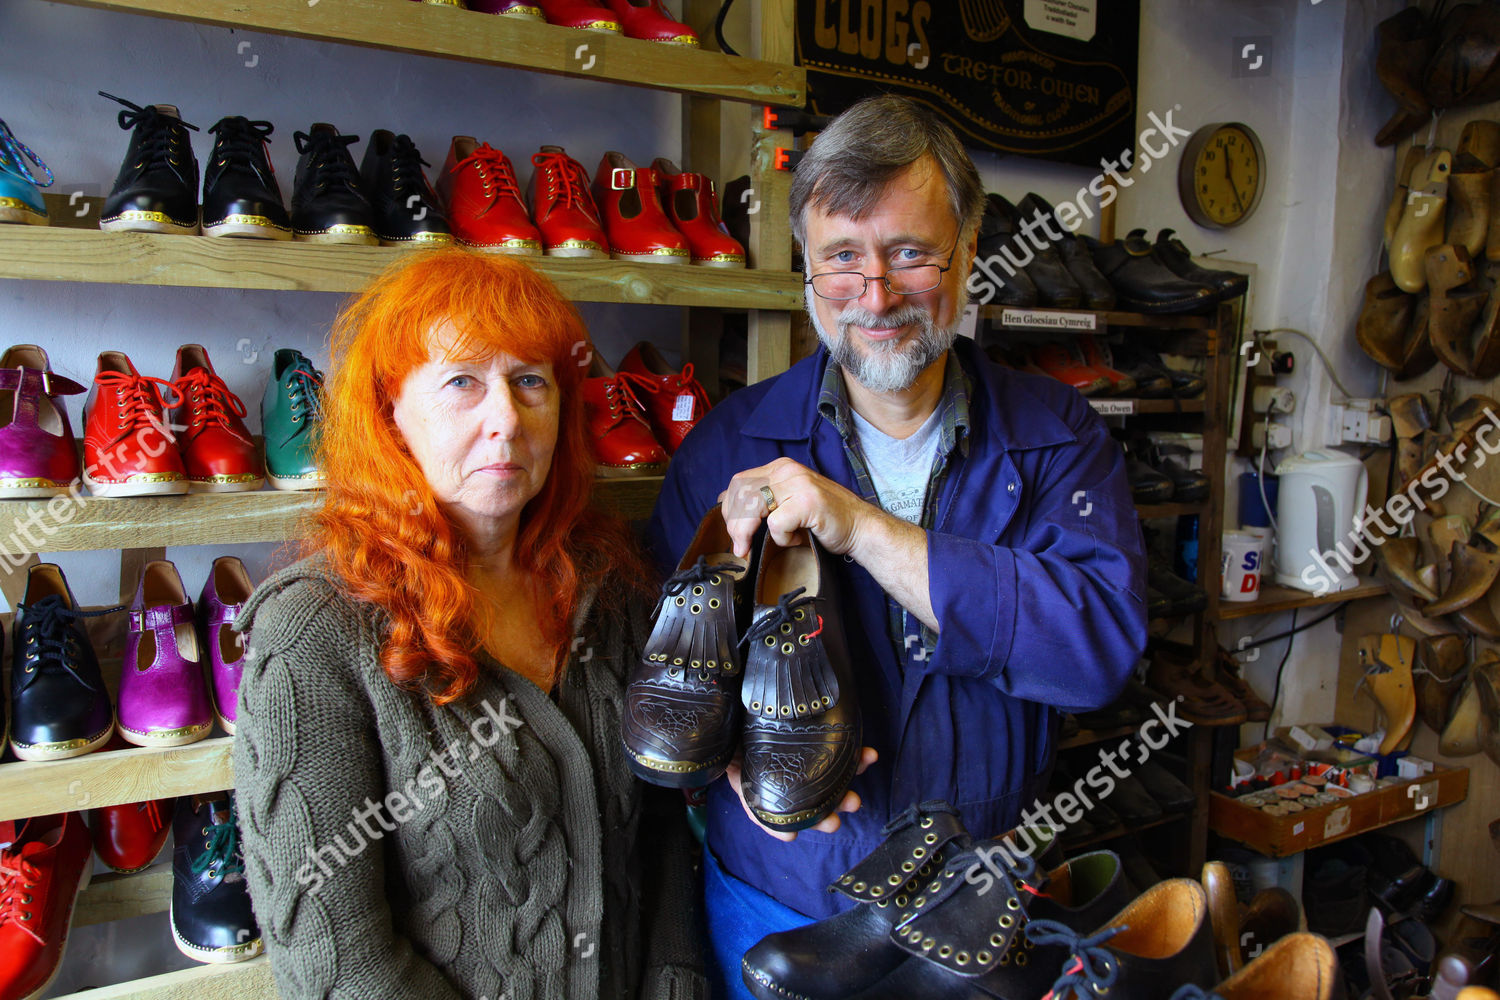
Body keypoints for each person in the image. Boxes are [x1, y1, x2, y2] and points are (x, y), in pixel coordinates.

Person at [645, 95, 1148, 994]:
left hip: (983, 912)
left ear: (970, 244)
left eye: (910, 253)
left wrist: (864, 530)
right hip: (781, 903)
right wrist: (714, 754)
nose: (874, 296)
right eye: (842, 258)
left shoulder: (1057, 437)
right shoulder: (730, 446)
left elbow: (1098, 651)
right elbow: (661, 673)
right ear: (806, 269)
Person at [233, 249, 706, 1000]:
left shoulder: (609, 587)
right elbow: (336, 963)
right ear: (390, 413)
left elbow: (661, 832)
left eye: (529, 382)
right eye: (461, 383)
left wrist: (677, 986)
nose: (505, 422)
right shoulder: (314, 631)